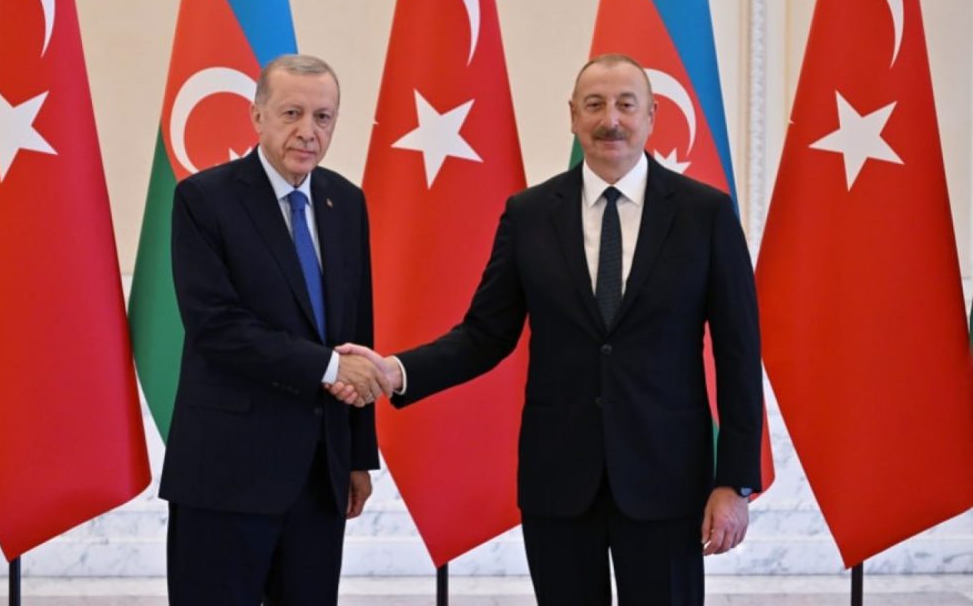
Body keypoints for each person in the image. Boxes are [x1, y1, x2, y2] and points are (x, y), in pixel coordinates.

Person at [336, 54, 763, 605]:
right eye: (595, 105)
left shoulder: (705, 214)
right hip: (560, 481)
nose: (611, 119)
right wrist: (397, 371)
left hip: (668, 481)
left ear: (652, 115)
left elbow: (737, 353)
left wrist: (734, 483)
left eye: (626, 105)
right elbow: (485, 335)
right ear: (573, 116)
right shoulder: (530, 214)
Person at [160, 54, 392, 605]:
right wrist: (329, 368)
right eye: (292, 113)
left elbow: (357, 329)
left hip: (319, 477)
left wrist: (357, 456)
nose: (308, 131)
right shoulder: (203, 199)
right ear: (257, 116)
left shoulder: (345, 201)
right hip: (226, 474)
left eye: (323, 117)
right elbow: (217, 327)